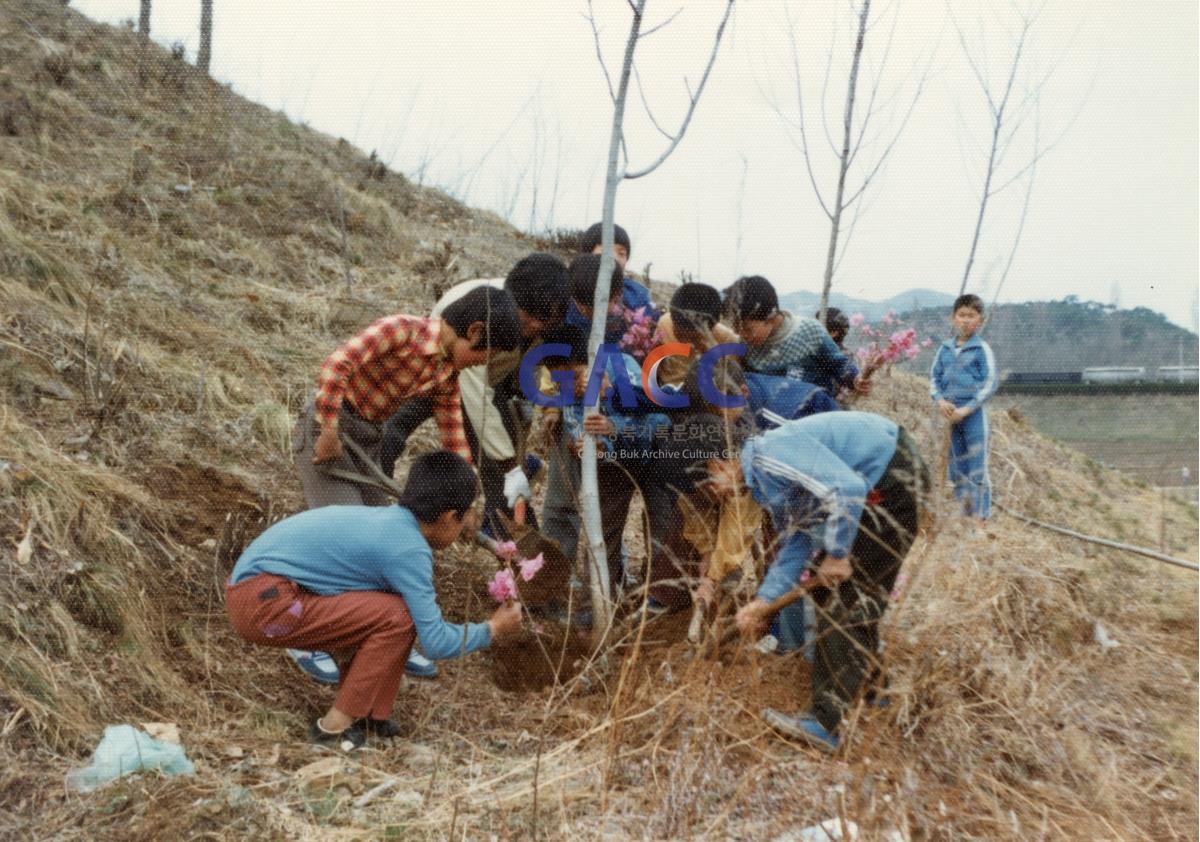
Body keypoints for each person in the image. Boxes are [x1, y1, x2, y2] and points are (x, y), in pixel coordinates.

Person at [288, 285, 521, 683]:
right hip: (329, 431)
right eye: (486, 355)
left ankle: (382, 637)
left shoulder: (447, 371)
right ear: (476, 332)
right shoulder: (401, 330)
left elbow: (453, 433)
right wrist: (328, 427)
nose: (481, 365)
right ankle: (303, 632)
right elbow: (337, 364)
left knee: (389, 535)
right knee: (342, 535)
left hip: (367, 440)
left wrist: (467, 505)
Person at [225, 451, 523, 751]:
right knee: (398, 616)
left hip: (258, 595)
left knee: (392, 607)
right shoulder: (408, 549)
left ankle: (368, 713)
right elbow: (435, 642)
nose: (466, 528)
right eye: (465, 517)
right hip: (265, 606)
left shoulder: (393, 522)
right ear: (448, 517)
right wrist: (493, 629)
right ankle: (333, 729)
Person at [684, 410, 927, 753]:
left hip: (892, 478)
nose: (715, 491)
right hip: (881, 484)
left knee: (844, 600)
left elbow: (847, 488)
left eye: (711, 480)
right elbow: (796, 541)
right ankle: (873, 692)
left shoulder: (772, 455)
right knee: (855, 597)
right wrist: (763, 601)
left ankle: (827, 724)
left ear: (723, 462)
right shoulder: (766, 481)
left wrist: (839, 553)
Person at [378, 253, 570, 535]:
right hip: (435, 370)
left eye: (545, 323)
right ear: (514, 298)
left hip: (489, 387)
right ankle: (369, 506)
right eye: (529, 320)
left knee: (506, 476)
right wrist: (509, 466)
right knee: (391, 432)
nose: (534, 329)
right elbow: (473, 394)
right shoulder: (483, 305)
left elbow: (529, 372)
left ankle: (515, 550)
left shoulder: (542, 321)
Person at [723, 276, 867, 396]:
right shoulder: (745, 346)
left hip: (812, 413)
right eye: (736, 328)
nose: (740, 334)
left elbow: (839, 365)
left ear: (771, 317)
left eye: (747, 329)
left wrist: (856, 379)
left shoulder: (810, 332)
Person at [929, 293, 997, 524]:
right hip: (950, 416)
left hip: (973, 416)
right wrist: (940, 401)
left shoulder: (981, 349)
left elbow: (989, 384)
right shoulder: (944, 349)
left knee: (976, 467)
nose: (966, 320)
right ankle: (964, 515)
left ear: (980, 320)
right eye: (962, 315)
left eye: (972, 316)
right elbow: (934, 379)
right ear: (953, 318)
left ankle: (980, 519)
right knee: (956, 468)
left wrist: (966, 410)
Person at [565, 223, 660, 336]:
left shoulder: (637, 295)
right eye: (607, 250)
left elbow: (649, 328)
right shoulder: (568, 290)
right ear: (587, 255)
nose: (614, 257)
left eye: (621, 253)